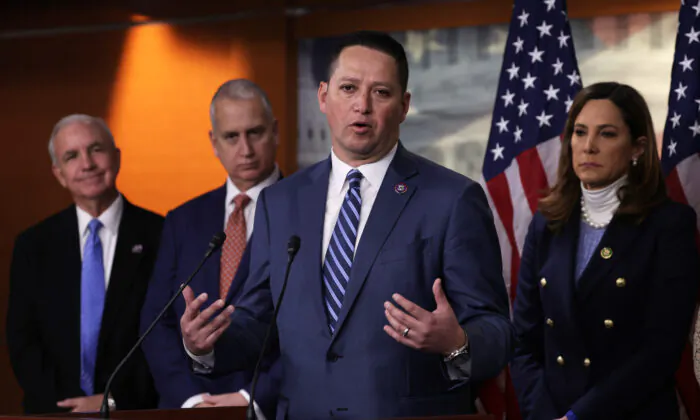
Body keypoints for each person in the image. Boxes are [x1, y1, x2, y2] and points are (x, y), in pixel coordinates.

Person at [179, 30, 514, 419]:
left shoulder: (452, 199)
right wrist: (205, 344)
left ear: (404, 106)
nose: (362, 106)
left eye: (381, 93)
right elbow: (258, 323)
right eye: (349, 88)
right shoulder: (280, 201)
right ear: (323, 96)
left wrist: (457, 342)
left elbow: (496, 329)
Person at [510, 82, 700, 420]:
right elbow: (523, 341)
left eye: (607, 134)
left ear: (638, 148)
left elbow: (660, 351)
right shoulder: (547, 223)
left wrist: (578, 416)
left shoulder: (669, 226)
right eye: (580, 133)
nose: (589, 147)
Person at [140, 79, 281, 418]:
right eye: (232, 137)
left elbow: (318, 330)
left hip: (271, 407)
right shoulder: (183, 220)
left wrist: (256, 396)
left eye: (255, 132)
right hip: (191, 407)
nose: (245, 149)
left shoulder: (310, 210)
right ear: (213, 142)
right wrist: (192, 400)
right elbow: (156, 322)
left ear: (274, 132)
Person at [6, 114, 163, 414]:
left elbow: (165, 335)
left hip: (137, 411)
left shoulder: (162, 235)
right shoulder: (32, 245)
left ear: (116, 158)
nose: (87, 164)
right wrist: (66, 405)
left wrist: (115, 399)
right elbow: (22, 341)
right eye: (72, 156)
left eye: (96, 149)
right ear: (59, 173)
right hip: (53, 412)